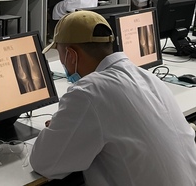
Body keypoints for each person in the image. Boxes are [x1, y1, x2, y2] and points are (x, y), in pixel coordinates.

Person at [30, 11, 196, 184]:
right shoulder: (148, 77)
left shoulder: (87, 93)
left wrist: (59, 126)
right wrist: (69, 123)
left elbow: (43, 163)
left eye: (60, 54)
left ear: (71, 55)